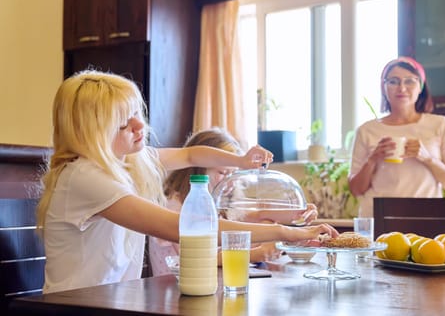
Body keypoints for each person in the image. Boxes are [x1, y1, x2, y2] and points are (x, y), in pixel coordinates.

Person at [36, 70, 338, 293]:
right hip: (74, 305)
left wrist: (241, 161)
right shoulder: (84, 176)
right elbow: (181, 228)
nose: (141, 125)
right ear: (94, 132)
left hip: (110, 300)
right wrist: (285, 232)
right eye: (124, 122)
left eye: (137, 114)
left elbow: (193, 154)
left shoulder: (124, 162)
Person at [149, 127, 319, 276]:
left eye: (233, 174)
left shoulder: (216, 204)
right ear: (196, 170)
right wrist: (255, 254)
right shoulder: (176, 205)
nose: (229, 182)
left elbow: (253, 217)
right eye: (222, 173)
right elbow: (197, 259)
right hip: (172, 289)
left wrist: (297, 213)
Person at [348, 56, 445, 217]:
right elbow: (356, 190)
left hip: (427, 219)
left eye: (410, 81)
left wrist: (428, 158)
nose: (401, 88)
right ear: (384, 88)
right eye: (393, 81)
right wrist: (372, 159)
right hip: (378, 220)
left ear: (421, 87)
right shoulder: (367, 130)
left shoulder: (440, 125)